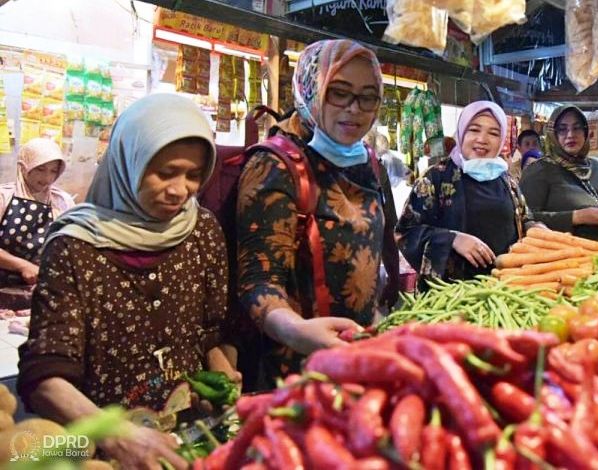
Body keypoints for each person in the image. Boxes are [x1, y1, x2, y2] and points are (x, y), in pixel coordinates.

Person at [18, 94, 240, 470]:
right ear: (128, 162)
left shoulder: (201, 230)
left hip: (188, 444)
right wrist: (118, 437)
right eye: (165, 172)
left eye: (193, 175)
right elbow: (45, 376)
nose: (180, 190)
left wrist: (220, 376)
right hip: (98, 451)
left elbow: (211, 333)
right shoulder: (75, 246)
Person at [237, 39, 399, 385]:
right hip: (295, 368)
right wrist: (296, 331)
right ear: (311, 88)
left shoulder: (368, 161)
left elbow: (379, 254)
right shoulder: (275, 164)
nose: (354, 109)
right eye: (338, 92)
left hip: (360, 356)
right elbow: (257, 282)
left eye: (368, 96)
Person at [397, 101, 535, 283]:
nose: (482, 139)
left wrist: (534, 227)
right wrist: (452, 239)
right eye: (474, 130)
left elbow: (524, 219)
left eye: (493, 133)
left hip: (506, 290)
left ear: (501, 140)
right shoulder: (435, 178)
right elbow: (405, 232)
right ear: (462, 133)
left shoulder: (507, 181)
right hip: (451, 297)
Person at [519, 106, 598, 247]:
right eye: (562, 129)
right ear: (553, 134)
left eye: (577, 128)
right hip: (565, 260)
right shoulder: (539, 171)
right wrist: (576, 217)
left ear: (586, 132)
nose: (570, 135)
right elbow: (524, 220)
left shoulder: (597, 168)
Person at [0, 138, 75, 288]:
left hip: (39, 287)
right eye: (40, 169)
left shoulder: (62, 201)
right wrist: (22, 265)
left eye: (53, 171)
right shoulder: (3, 197)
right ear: (24, 167)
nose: (47, 178)